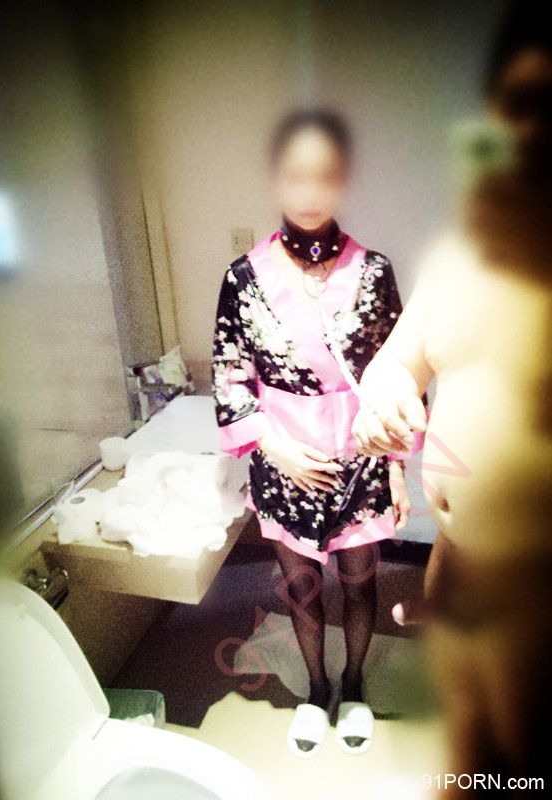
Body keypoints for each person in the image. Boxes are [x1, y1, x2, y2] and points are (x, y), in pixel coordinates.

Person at [352, 3, 552, 789]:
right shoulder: (464, 250)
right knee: (467, 759)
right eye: (519, 104)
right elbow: (395, 362)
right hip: (454, 564)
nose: (533, 132)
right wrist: (382, 396)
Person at [212, 109, 421, 757]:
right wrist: (274, 449)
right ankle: (315, 689)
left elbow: (400, 377)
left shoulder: (374, 271)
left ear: (342, 180)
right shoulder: (243, 278)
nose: (309, 191)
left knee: (360, 582)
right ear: (276, 178)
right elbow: (229, 377)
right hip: (283, 463)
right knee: (301, 590)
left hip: (360, 460)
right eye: (295, 175)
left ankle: (353, 684)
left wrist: (395, 468)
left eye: (323, 175)